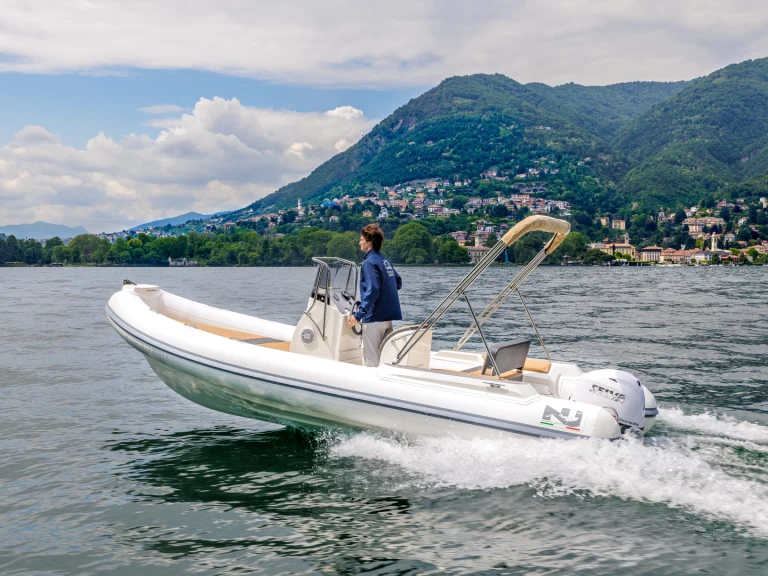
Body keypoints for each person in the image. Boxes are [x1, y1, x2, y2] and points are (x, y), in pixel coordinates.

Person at [347, 224, 402, 367]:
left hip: (374, 320)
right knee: (385, 359)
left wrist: (359, 314)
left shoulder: (369, 263)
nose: (360, 242)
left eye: (361, 239)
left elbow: (373, 290)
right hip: (387, 318)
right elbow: (398, 282)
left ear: (369, 241)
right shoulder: (384, 261)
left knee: (372, 361)